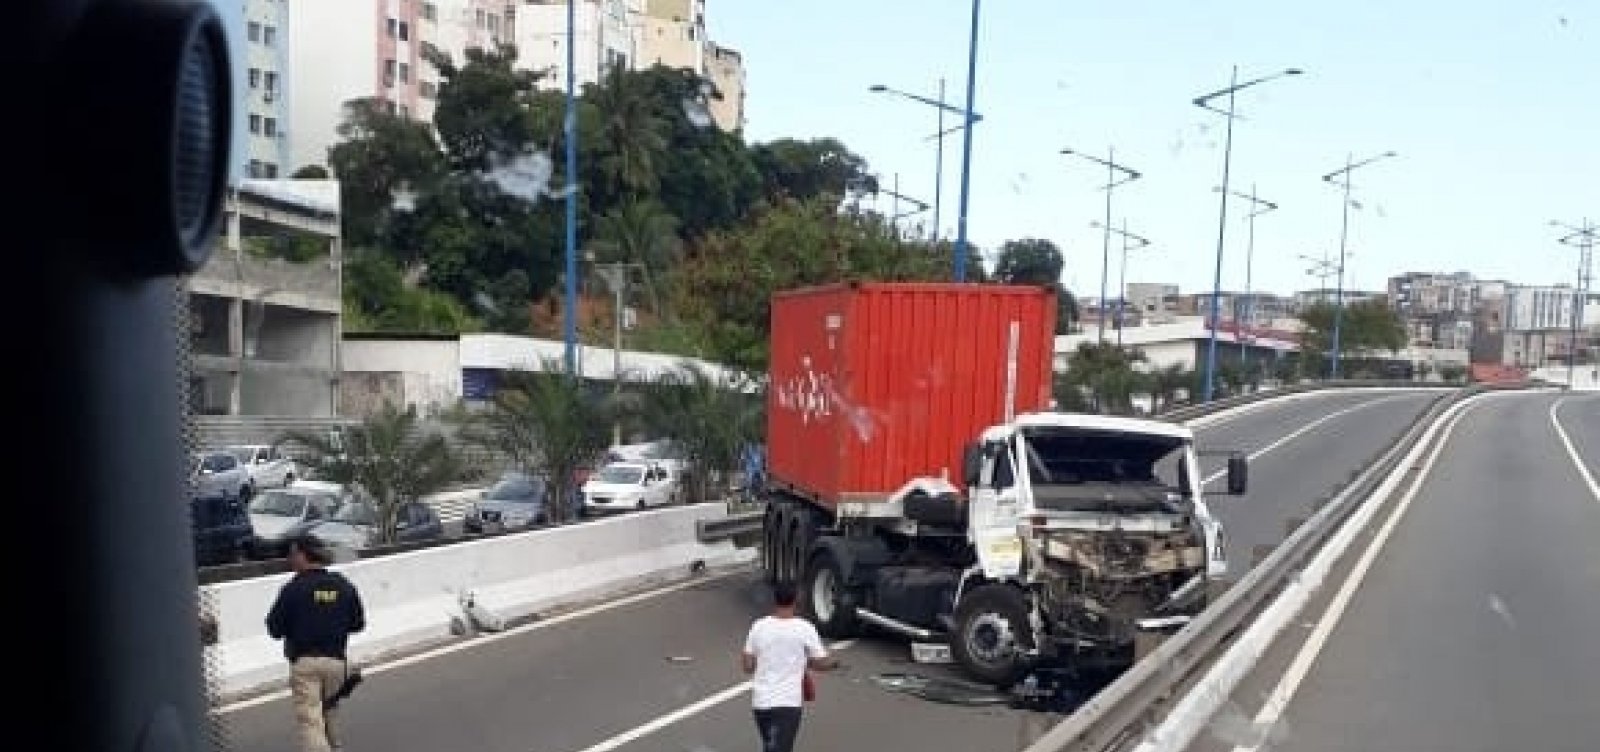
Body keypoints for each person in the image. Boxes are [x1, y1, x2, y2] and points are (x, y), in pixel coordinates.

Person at [267, 535, 366, 752]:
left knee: (311, 721)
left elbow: (274, 629)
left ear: (304, 555)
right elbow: (358, 624)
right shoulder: (343, 586)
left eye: (292, 554)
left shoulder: (292, 590)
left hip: (305, 665)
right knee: (329, 711)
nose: (290, 560)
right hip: (336, 664)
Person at [741, 582, 837, 752]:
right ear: (796, 600)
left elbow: (748, 666)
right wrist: (832, 663)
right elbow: (821, 662)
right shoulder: (805, 628)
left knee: (772, 746)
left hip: (761, 703)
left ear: (775, 600)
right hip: (787, 704)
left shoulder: (759, 626)